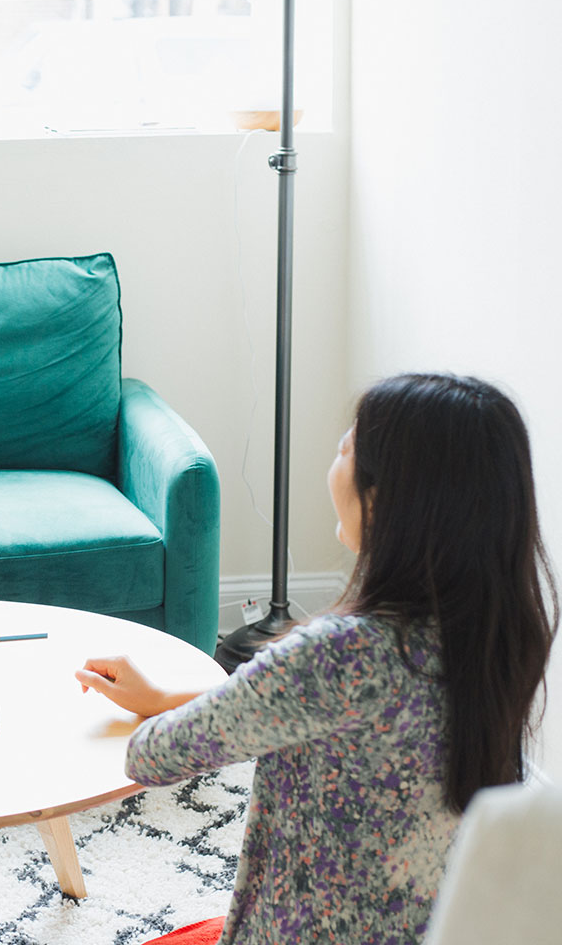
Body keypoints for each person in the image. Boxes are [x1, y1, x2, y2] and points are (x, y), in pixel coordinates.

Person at [77, 373, 557, 945]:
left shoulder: (339, 655)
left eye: (345, 449)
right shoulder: (499, 639)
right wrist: (161, 697)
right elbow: (308, 713)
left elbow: (154, 756)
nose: (335, 464)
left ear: (381, 501)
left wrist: (155, 718)